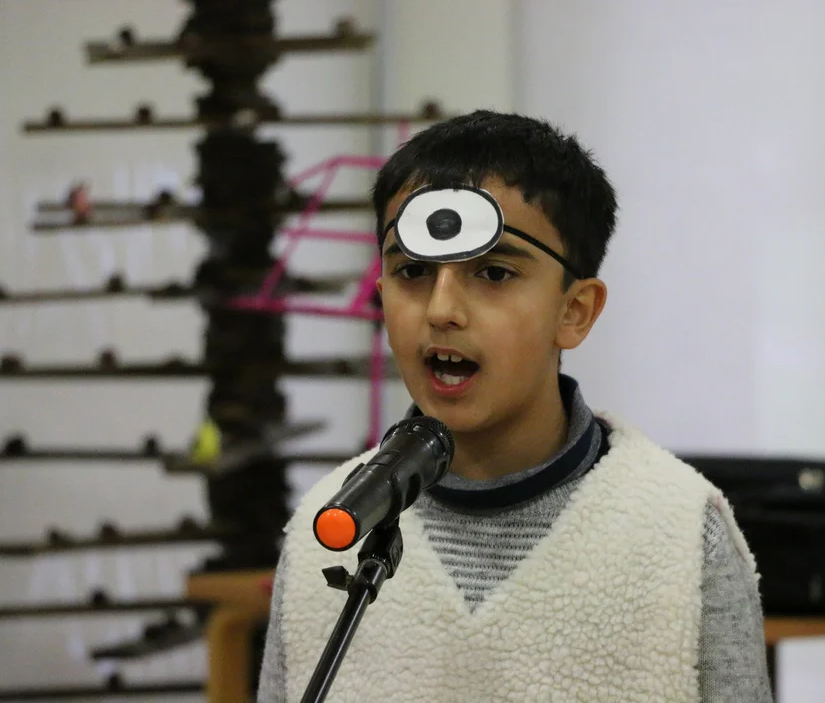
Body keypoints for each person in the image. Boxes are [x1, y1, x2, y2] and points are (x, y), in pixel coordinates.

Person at [256, 110, 772, 702]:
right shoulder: (327, 527)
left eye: (494, 273)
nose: (441, 310)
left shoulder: (681, 535)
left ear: (574, 311)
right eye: (412, 271)